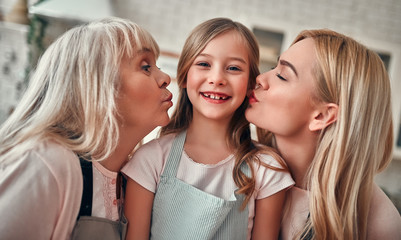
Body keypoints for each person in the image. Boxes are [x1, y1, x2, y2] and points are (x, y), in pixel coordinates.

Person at [121, 17, 295, 240]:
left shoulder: (267, 169)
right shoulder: (150, 159)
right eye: (203, 64)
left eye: (233, 68)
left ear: (251, 83)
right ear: (184, 75)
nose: (217, 78)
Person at [0, 17, 172, 240]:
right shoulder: (46, 162)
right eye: (146, 67)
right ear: (98, 85)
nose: (166, 78)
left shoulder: (130, 179)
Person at [245, 29, 401, 240]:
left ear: (322, 115)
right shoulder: (242, 167)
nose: (261, 78)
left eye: (282, 75)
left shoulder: (380, 226)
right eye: (274, 67)